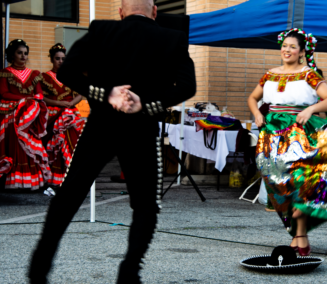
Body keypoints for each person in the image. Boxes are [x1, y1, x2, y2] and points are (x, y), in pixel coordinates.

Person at [28, 0, 196, 283]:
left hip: (101, 124)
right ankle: (129, 271)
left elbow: (66, 71)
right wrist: (146, 104)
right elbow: (187, 86)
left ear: (120, 11)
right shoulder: (172, 37)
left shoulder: (101, 29)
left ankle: (39, 267)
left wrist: (105, 94)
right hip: (140, 128)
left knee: (70, 194)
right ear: (155, 12)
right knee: (145, 204)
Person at [248, 28, 327, 256]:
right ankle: (300, 229)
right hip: (271, 136)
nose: (287, 50)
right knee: (280, 185)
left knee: (304, 181)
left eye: (292, 47)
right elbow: (252, 97)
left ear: (301, 51)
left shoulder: (309, 74)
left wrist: (311, 109)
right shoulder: (269, 74)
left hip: (300, 135)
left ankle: (301, 228)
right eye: (284, 46)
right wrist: (257, 113)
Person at [0, 39, 50, 190]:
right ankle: (13, 180)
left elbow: (39, 95)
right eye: (19, 53)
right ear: (12, 55)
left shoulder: (34, 74)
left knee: (28, 145)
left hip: (29, 115)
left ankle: (29, 181)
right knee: (15, 144)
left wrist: (31, 101)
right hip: (13, 114)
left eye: (25, 53)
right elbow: (3, 93)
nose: (23, 56)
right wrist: (25, 100)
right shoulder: (5, 73)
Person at [40, 43, 84, 187]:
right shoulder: (44, 77)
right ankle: (55, 176)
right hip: (53, 112)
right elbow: (41, 97)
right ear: (52, 59)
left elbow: (80, 94)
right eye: (57, 58)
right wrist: (59, 104)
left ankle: (72, 174)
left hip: (69, 112)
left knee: (73, 141)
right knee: (55, 143)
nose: (60, 61)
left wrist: (71, 104)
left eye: (63, 59)